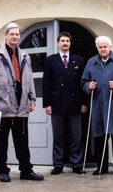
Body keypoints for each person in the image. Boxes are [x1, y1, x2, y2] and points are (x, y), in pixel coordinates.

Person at [0, 22, 44, 182]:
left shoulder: (25, 56)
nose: (15, 37)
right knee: (2, 142)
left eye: (17, 34)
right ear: (6, 35)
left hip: (22, 106)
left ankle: (26, 171)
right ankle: (3, 171)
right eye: (12, 34)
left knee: (23, 142)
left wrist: (32, 98)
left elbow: (29, 78)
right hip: (2, 105)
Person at [81, 36, 113, 176]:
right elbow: (83, 81)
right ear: (97, 48)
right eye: (100, 47)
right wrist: (88, 86)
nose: (103, 49)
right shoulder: (91, 62)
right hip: (98, 105)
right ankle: (101, 167)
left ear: (110, 47)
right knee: (99, 138)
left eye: (105, 46)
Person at [42, 32, 87, 175]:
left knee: (76, 136)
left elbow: (83, 82)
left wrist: (84, 103)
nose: (65, 43)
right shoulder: (50, 60)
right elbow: (46, 83)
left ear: (70, 43)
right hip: (56, 104)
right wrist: (47, 104)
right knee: (58, 137)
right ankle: (58, 165)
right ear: (58, 43)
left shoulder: (78, 60)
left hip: (75, 104)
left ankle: (77, 164)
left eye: (67, 41)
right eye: (62, 41)